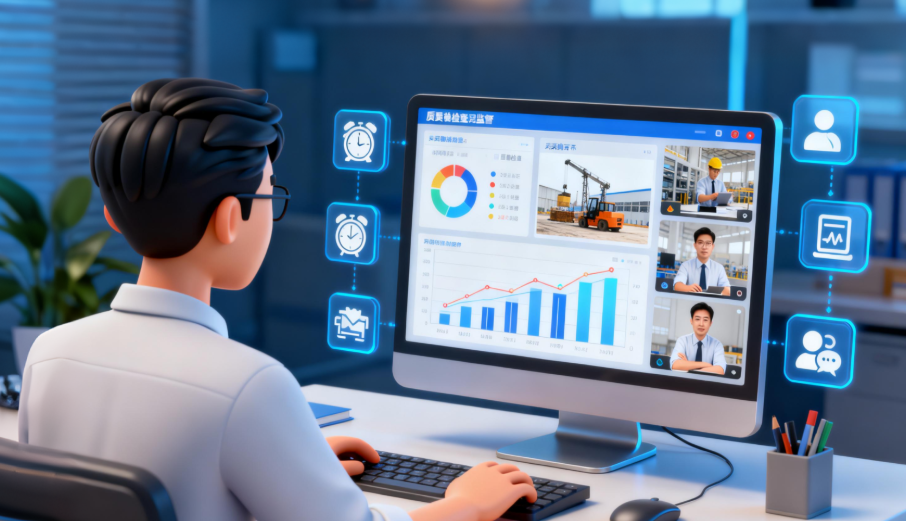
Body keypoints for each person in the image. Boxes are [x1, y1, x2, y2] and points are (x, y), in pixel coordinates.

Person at [18, 78, 537, 521]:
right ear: (230, 219)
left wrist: (289, 460)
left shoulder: (49, 355)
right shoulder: (248, 386)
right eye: (269, 195)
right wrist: (466, 505)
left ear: (112, 217)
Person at [669, 302, 726, 375]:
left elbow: (720, 370)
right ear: (691, 321)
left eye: (705, 320)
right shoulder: (682, 341)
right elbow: (675, 365)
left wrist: (688, 365)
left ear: (710, 323)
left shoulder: (717, 344)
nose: (701, 324)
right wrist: (706, 365)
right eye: (697, 319)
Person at [672, 227, 731, 296]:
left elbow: (728, 290)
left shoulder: (719, 268)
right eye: (700, 243)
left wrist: (711, 291)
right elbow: (677, 285)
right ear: (695, 245)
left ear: (712, 246)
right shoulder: (685, 265)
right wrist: (688, 288)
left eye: (708, 243)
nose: (704, 247)